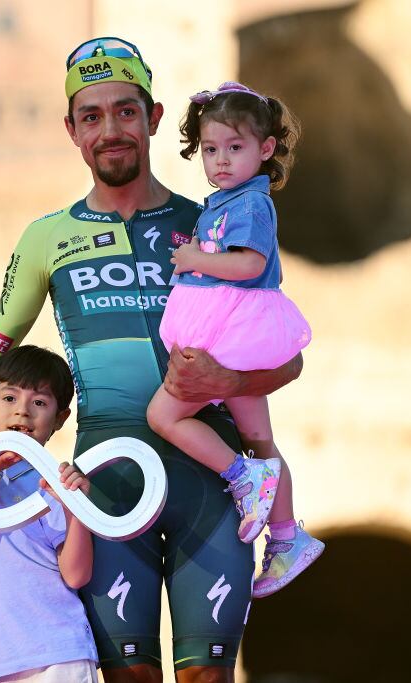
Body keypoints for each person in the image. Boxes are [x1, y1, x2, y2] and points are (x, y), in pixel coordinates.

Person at [0, 37, 302, 681]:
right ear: (72, 130)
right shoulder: (46, 238)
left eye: (125, 111)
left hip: (211, 479)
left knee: (207, 675)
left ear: (155, 118)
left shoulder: (215, 227)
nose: (110, 129)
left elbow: (289, 359)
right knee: (126, 677)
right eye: (92, 116)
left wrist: (228, 380)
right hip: (106, 483)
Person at [146, 81, 324, 598]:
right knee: (261, 441)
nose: (220, 160)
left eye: (235, 148)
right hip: (239, 330)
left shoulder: (248, 205)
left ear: (266, 149)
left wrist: (196, 259)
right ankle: (287, 537)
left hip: (232, 333)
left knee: (165, 415)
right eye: (210, 150)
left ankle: (240, 478)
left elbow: (252, 264)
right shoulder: (231, 200)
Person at [0, 344, 97, 682]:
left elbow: (76, 575)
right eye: (9, 398)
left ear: (60, 418)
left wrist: (76, 509)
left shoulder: (56, 483)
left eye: (40, 402)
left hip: (59, 657)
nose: (22, 412)